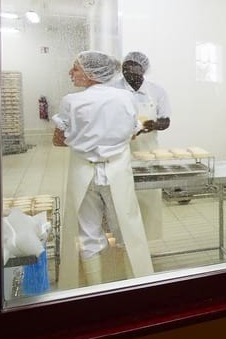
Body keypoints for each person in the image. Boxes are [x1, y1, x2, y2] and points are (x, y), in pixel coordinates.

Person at [52, 51, 154, 288]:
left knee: (88, 233)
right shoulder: (126, 98)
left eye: (75, 68)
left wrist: (84, 138)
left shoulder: (71, 101)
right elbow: (132, 134)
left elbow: (58, 140)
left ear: (90, 74)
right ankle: (136, 288)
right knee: (127, 229)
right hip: (117, 174)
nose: (70, 73)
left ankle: (96, 291)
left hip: (84, 176)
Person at [113, 51, 172, 240]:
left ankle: (147, 240)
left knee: (149, 197)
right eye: (125, 69)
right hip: (119, 152)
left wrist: (151, 125)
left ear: (143, 70)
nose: (128, 73)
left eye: (134, 70)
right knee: (122, 198)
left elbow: (165, 121)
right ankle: (123, 240)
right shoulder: (113, 90)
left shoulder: (156, 91)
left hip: (148, 152)